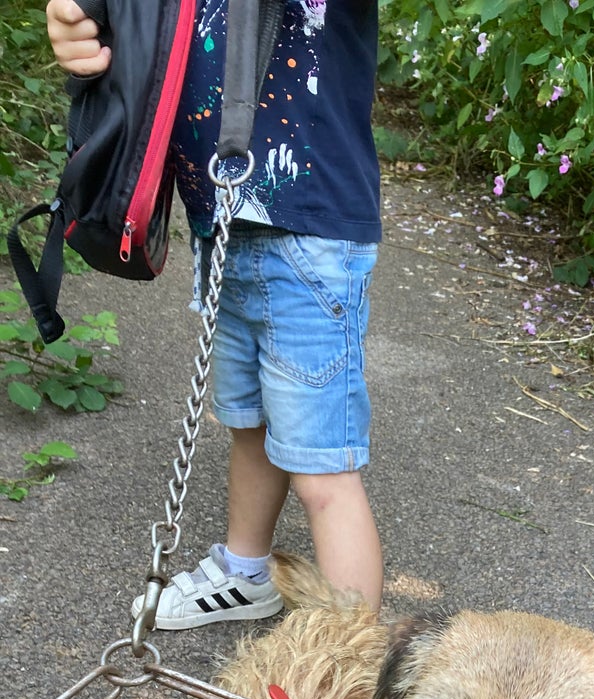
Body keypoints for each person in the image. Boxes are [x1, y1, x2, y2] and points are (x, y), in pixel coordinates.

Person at [44, 0, 384, 627]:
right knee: (248, 421)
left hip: (312, 231)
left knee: (323, 473)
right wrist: (80, 19)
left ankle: (354, 668)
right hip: (222, 228)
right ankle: (244, 570)